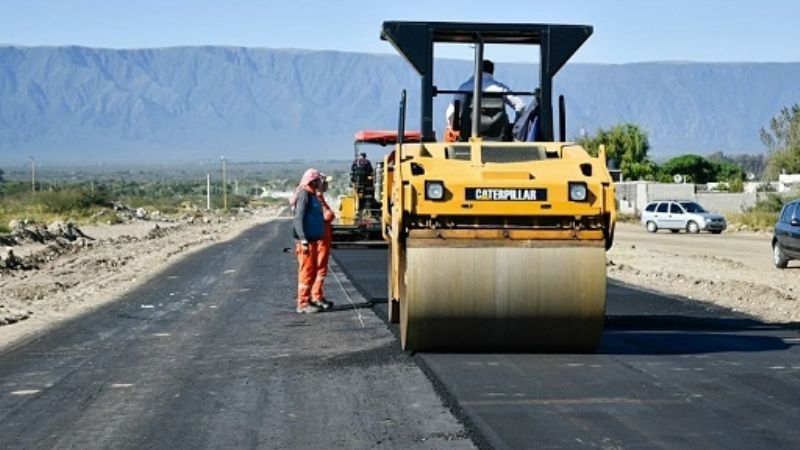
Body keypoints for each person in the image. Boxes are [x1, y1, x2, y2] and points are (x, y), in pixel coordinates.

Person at [445, 59, 526, 139]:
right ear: (492, 72)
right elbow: (520, 105)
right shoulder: (500, 88)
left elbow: (450, 112)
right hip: (499, 135)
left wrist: (454, 127)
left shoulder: (465, 87)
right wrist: (516, 126)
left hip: (468, 134)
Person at [291, 168, 325, 314]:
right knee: (306, 272)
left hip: (312, 240)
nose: (320, 182)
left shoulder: (312, 195)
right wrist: (303, 239)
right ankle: (302, 303)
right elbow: (298, 218)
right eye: (318, 180)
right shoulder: (304, 194)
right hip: (305, 242)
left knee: (311, 271)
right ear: (312, 181)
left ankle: (308, 300)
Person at [311, 174, 335, 310]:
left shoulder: (317, 197)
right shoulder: (316, 199)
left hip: (321, 236)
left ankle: (315, 295)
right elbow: (327, 215)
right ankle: (316, 296)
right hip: (320, 238)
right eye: (324, 182)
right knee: (319, 268)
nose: (326, 185)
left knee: (318, 268)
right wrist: (330, 214)